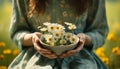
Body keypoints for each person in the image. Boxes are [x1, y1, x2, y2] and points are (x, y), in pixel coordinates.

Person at [8, 0, 109, 69]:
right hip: (36, 57)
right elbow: (17, 31)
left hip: (80, 58)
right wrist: (34, 39)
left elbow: (100, 30)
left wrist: (84, 39)